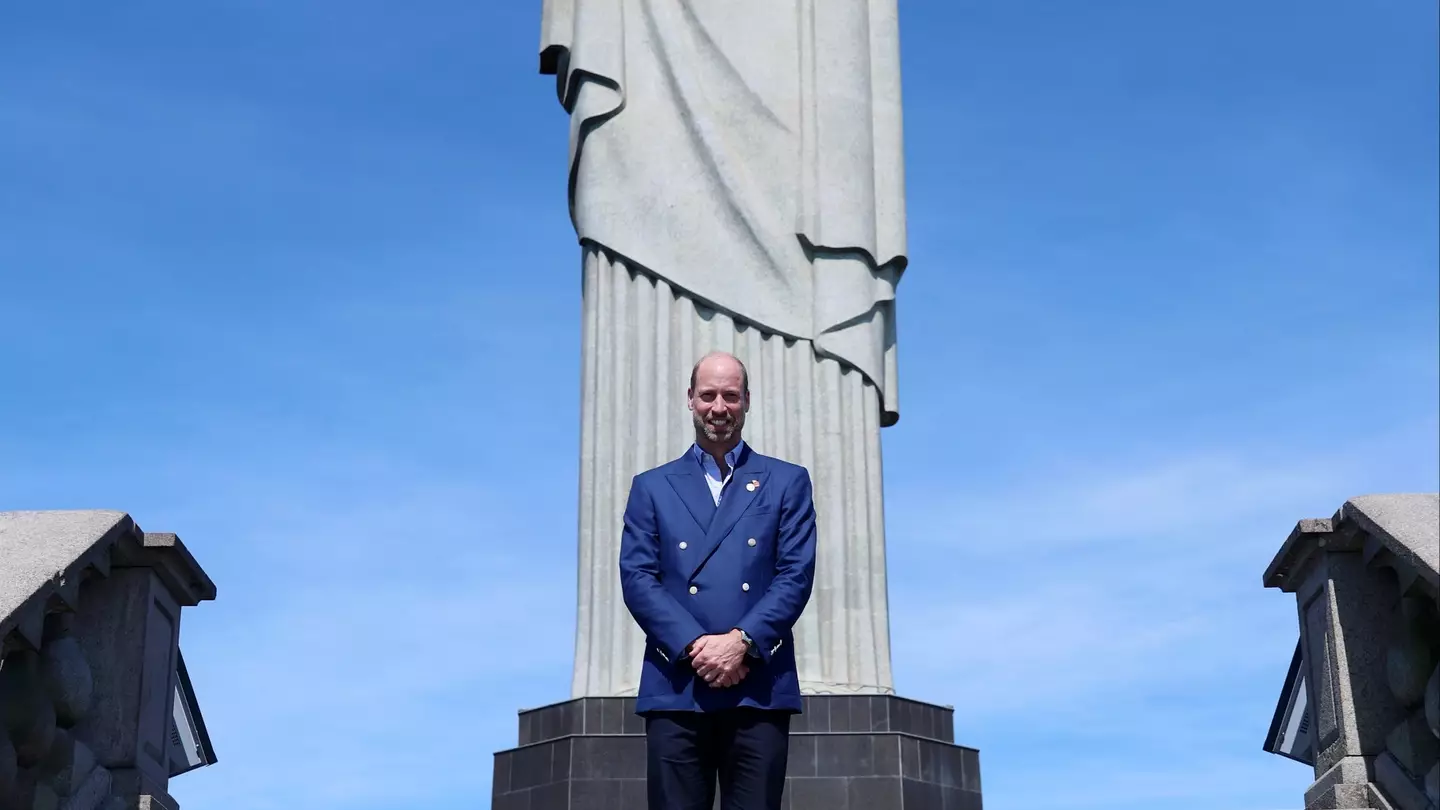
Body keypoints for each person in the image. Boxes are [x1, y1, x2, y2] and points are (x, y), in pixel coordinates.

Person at [618, 351, 818, 810]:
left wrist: (741, 641)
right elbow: (637, 577)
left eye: (730, 395)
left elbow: (796, 573)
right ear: (690, 399)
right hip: (676, 685)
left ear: (747, 401)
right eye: (708, 395)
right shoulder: (652, 486)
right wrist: (696, 646)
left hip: (758, 684)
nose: (719, 407)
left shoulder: (786, 481)